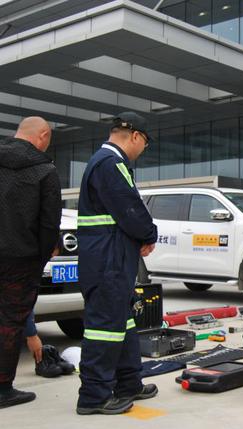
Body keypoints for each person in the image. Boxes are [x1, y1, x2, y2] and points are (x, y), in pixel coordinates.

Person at [76, 112, 158, 415]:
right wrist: (149, 234)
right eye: (145, 144)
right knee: (105, 328)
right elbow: (130, 208)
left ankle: (128, 383)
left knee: (122, 322)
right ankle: (94, 397)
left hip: (111, 257)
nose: (142, 150)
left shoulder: (104, 161)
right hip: (108, 260)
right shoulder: (111, 163)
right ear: (135, 136)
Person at [0, 117, 61, 409]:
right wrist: (43, 254)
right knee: (10, 322)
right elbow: (50, 223)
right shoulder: (44, 170)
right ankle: (2, 389)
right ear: (43, 135)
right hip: (20, 260)